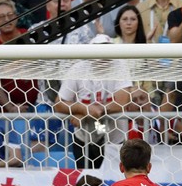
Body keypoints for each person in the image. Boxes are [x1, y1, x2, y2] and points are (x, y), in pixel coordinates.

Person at [54, 34, 135, 168]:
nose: (103, 53)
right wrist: (84, 109)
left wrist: (96, 111)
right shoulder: (78, 68)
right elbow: (59, 103)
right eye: (99, 48)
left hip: (113, 140)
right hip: (83, 138)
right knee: (88, 183)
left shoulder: (119, 65)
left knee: (111, 182)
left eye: (106, 48)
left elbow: (122, 101)